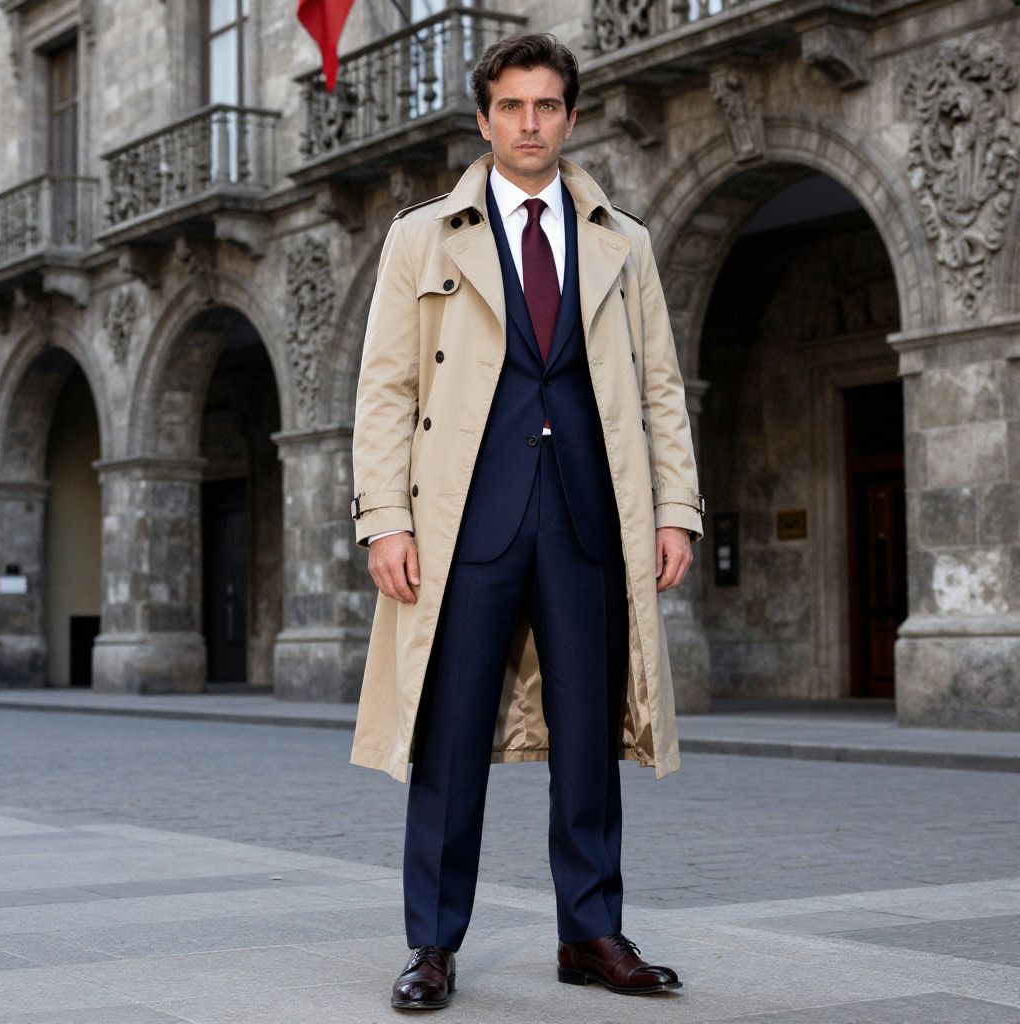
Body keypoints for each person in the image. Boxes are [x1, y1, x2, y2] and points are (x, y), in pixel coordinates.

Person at [348, 32, 705, 1011]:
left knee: (588, 738)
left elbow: (661, 388)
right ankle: (432, 943)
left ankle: (590, 932)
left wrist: (675, 509)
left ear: (571, 118)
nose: (530, 123)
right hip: (465, 520)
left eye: (547, 105)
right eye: (511, 106)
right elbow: (384, 390)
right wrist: (384, 520)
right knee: (449, 736)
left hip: (591, 517)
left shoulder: (623, 241)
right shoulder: (423, 237)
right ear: (484, 119)